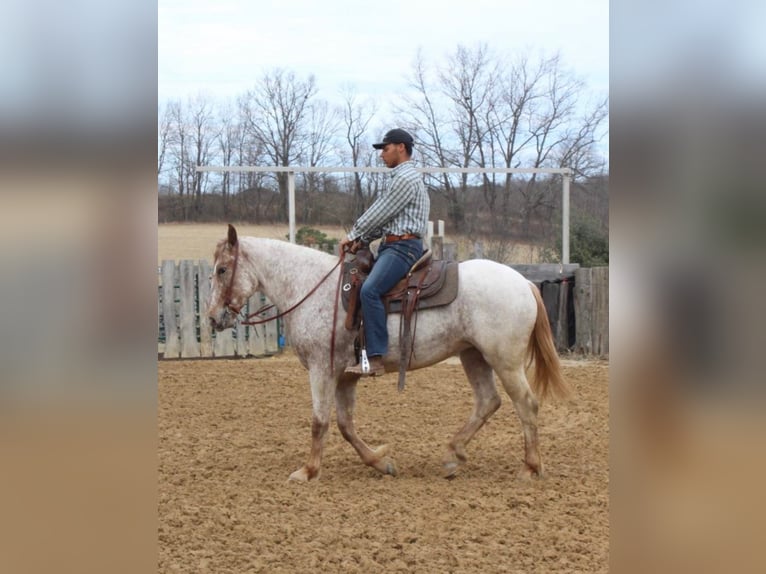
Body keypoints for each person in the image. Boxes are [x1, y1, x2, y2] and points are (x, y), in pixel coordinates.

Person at [340, 128, 430, 377]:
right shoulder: (401, 178)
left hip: (403, 248)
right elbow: (387, 219)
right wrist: (363, 240)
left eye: (386, 149)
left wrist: (354, 233)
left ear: (401, 147)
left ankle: (376, 357)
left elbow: (381, 210)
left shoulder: (405, 178)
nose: (382, 155)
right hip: (393, 244)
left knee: (370, 290)